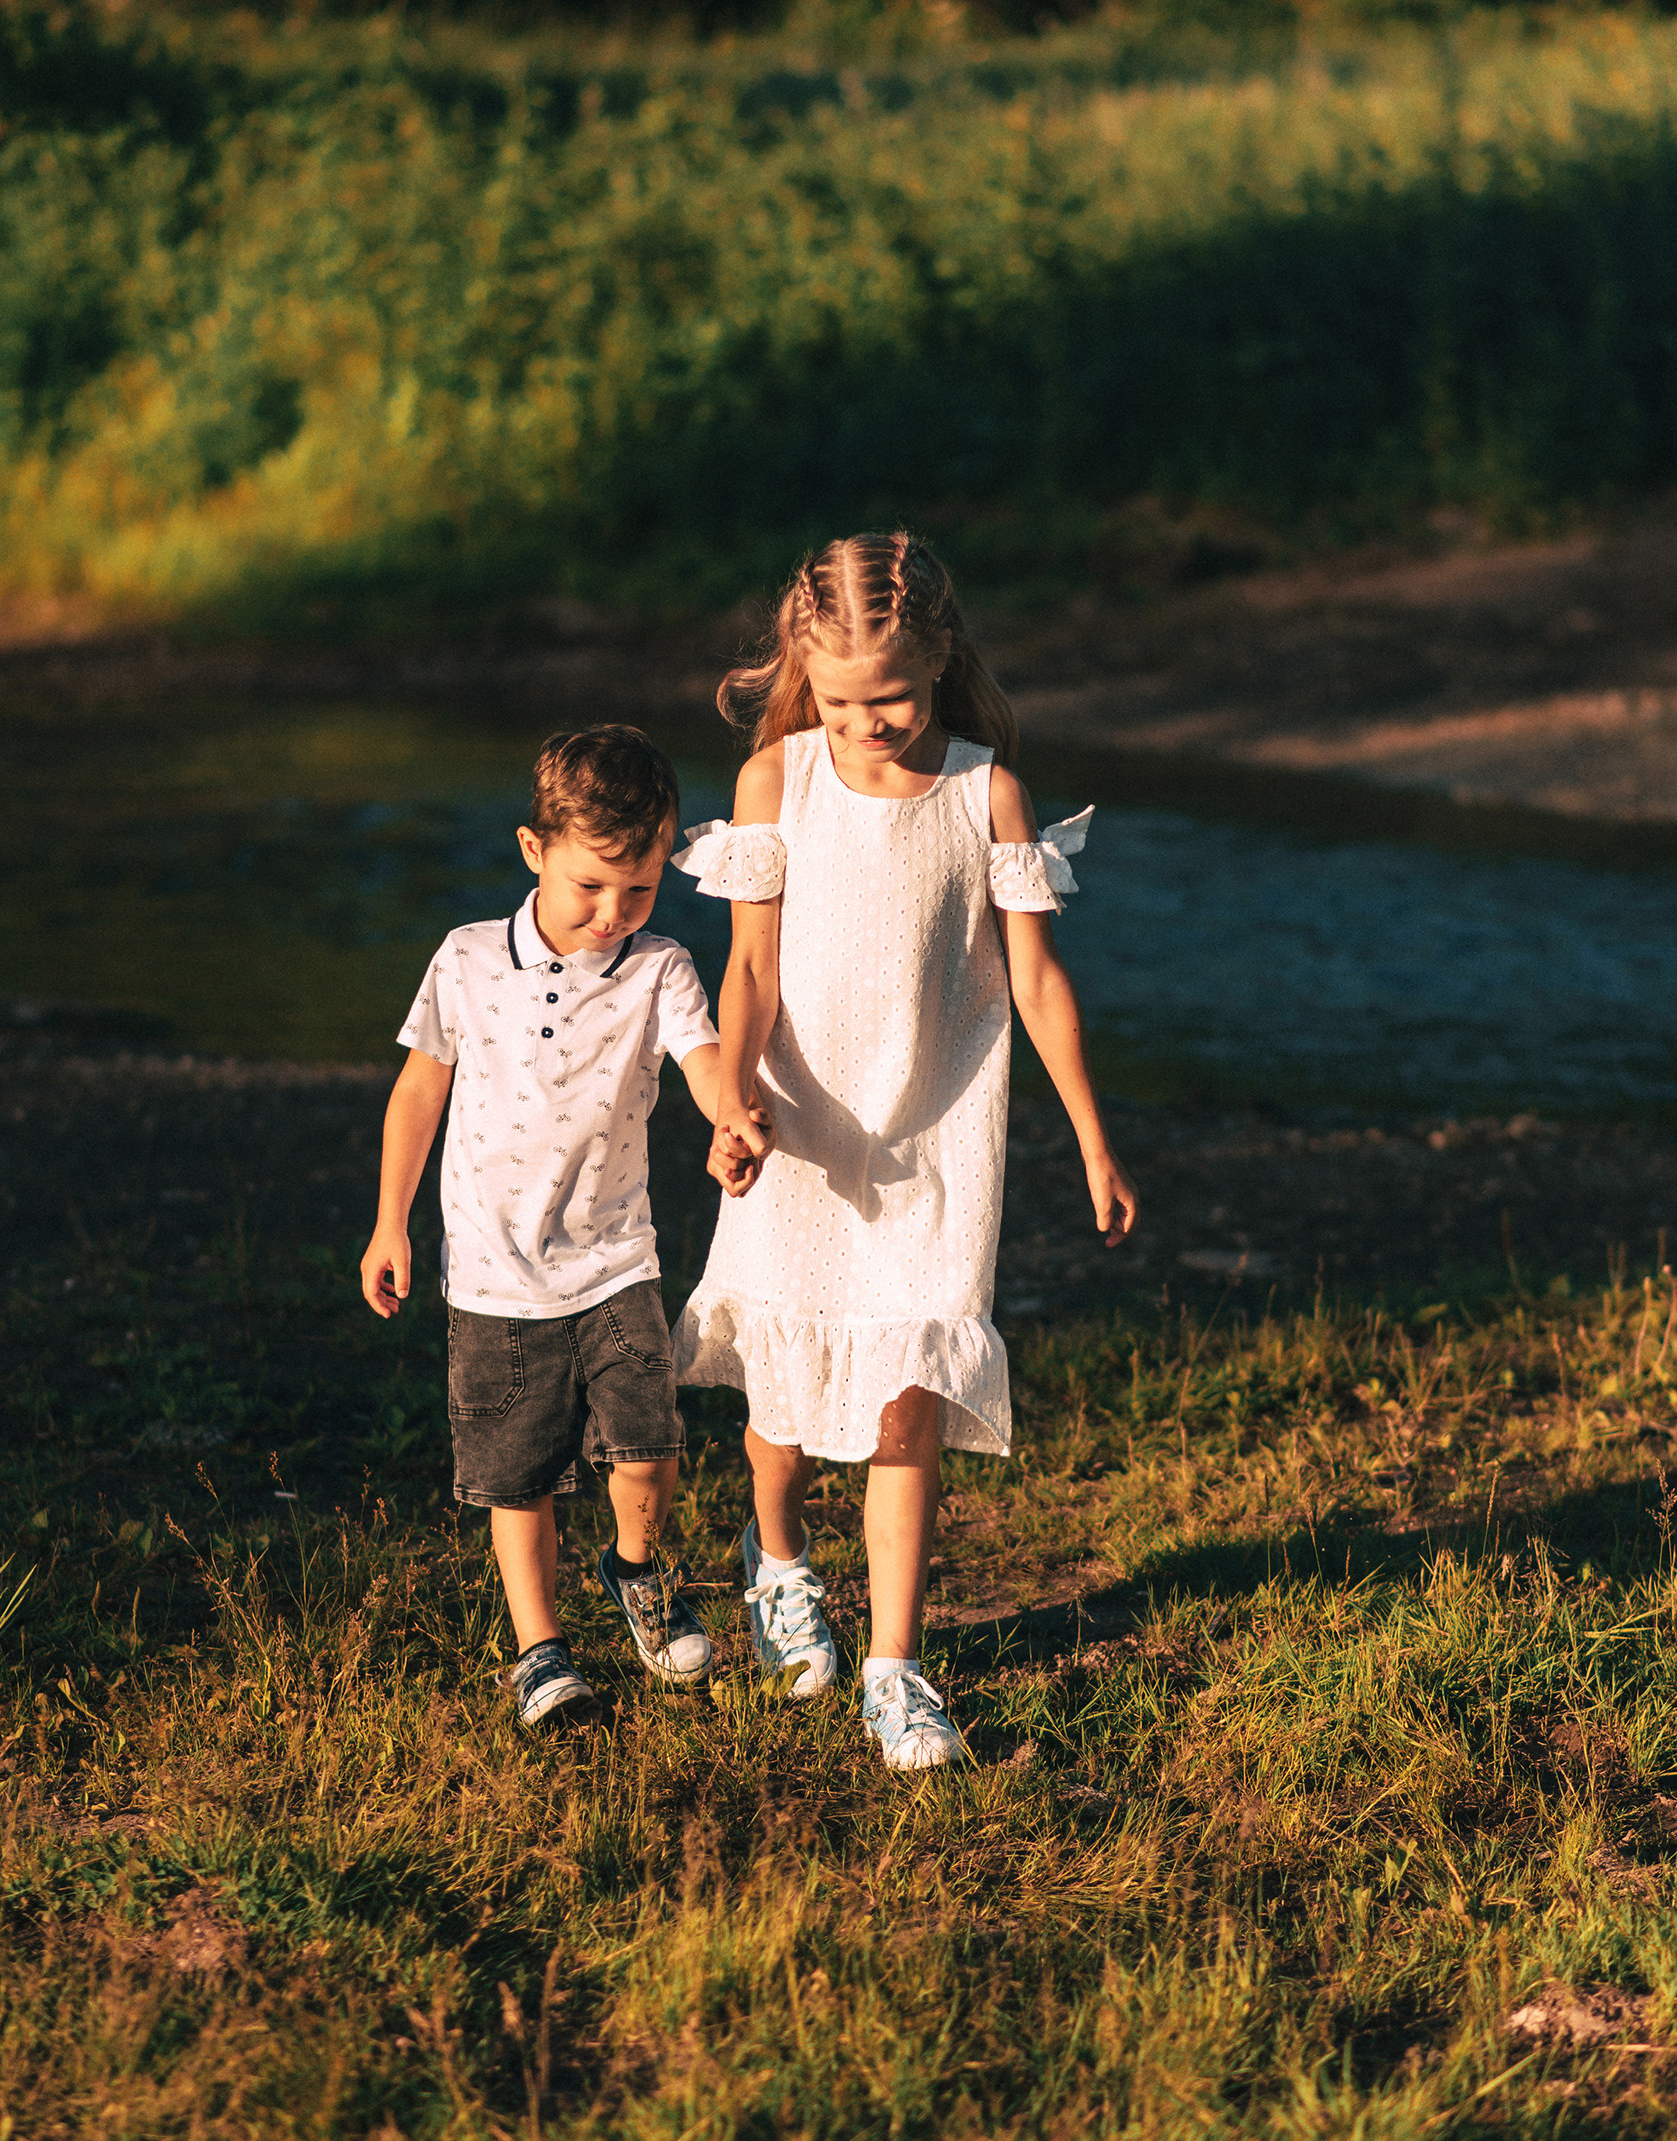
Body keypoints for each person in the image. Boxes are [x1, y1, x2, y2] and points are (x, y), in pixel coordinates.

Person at [671, 529, 1138, 1772]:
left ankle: (894, 1666)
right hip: (800, 1128)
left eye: (891, 697)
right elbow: (752, 968)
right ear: (800, 678)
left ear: (940, 662)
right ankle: (777, 1566)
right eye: (837, 700)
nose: (866, 722)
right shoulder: (779, 780)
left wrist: (1093, 1140)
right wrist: (729, 1104)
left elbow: (1036, 987)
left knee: (904, 1403)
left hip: (935, 1138)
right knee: (778, 1386)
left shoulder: (986, 795)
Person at [360, 724, 729, 1733]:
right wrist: (390, 1221)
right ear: (534, 852)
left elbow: (700, 1059)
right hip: (491, 1271)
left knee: (646, 1448)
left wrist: (729, 1115)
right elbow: (416, 1094)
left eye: (640, 891)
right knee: (515, 1476)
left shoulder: (660, 967)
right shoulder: (467, 960)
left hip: (616, 1259)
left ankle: (638, 1573)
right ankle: (541, 1653)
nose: (613, 915)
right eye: (589, 888)